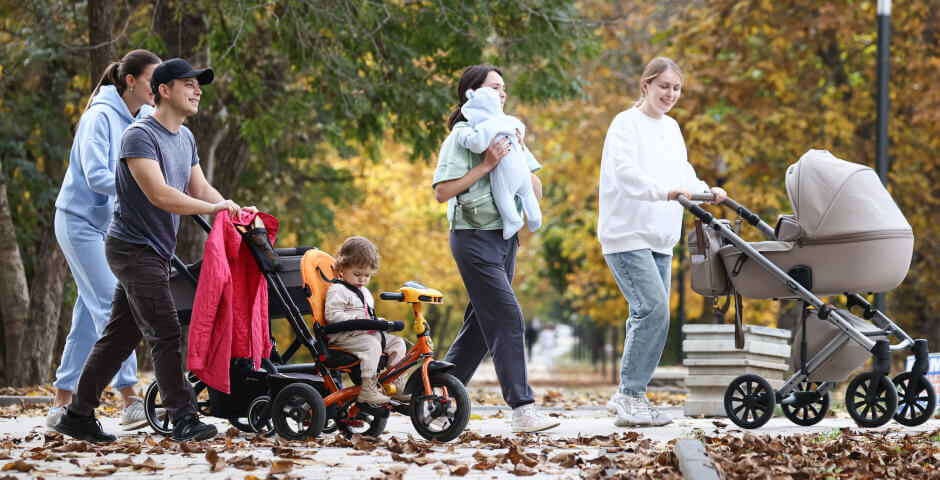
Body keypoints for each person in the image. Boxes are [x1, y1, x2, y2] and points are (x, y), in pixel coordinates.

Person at [54, 58, 251, 443]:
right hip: (132, 249)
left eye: (199, 85)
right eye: (189, 84)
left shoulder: (185, 138)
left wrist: (235, 211)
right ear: (164, 90)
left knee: (118, 337)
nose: (197, 91)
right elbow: (160, 194)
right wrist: (212, 209)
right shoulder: (139, 136)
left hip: (155, 250)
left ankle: (76, 414)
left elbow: (201, 188)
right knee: (164, 330)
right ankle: (184, 418)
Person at [598, 57, 726, 427]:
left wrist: (707, 191)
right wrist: (664, 192)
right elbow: (625, 174)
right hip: (627, 234)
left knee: (648, 315)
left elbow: (682, 173)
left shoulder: (671, 128)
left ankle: (628, 397)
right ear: (646, 86)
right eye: (664, 86)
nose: (670, 94)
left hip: (660, 238)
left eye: (676, 88)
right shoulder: (625, 124)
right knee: (653, 311)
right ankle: (630, 395)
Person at [432, 64, 559, 434]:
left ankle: (436, 400)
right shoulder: (462, 138)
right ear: (473, 93)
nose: (502, 94)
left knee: (479, 328)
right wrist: (487, 164)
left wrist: (518, 153)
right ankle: (522, 409)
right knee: (507, 318)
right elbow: (442, 192)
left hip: (505, 240)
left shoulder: (508, 131)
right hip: (472, 238)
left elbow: (536, 191)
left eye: (504, 88)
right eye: (494, 87)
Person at [48, 49, 162, 431]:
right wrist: (142, 184)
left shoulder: (142, 117)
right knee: (113, 304)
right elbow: (96, 175)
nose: (157, 88)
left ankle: (60, 403)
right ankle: (130, 398)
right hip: (78, 222)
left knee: (87, 316)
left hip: (108, 226)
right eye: (151, 81)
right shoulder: (98, 116)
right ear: (131, 81)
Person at [324, 236, 409, 404]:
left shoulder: (365, 293)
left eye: (367, 275)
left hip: (365, 334)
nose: (362, 279)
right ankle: (367, 389)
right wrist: (359, 320)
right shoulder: (337, 290)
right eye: (357, 274)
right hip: (344, 337)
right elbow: (332, 315)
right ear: (342, 267)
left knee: (398, 343)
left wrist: (375, 321)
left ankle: (395, 383)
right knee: (372, 345)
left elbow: (367, 315)